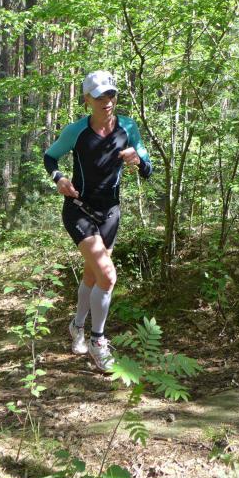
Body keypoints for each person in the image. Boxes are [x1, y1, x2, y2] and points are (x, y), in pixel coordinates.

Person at [43, 70, 152, 371]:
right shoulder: (76, 131)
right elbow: (50, 157)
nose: (107, 101)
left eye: (111, 94)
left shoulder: (128, 127)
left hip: (110, 213)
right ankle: (98, 341)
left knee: (92, 276)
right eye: (99, 96)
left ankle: (77, 326)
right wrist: (59, 178)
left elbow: (148, 169)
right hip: (79, 209)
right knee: (108, 276)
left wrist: (138, 160)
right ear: (87, 100)